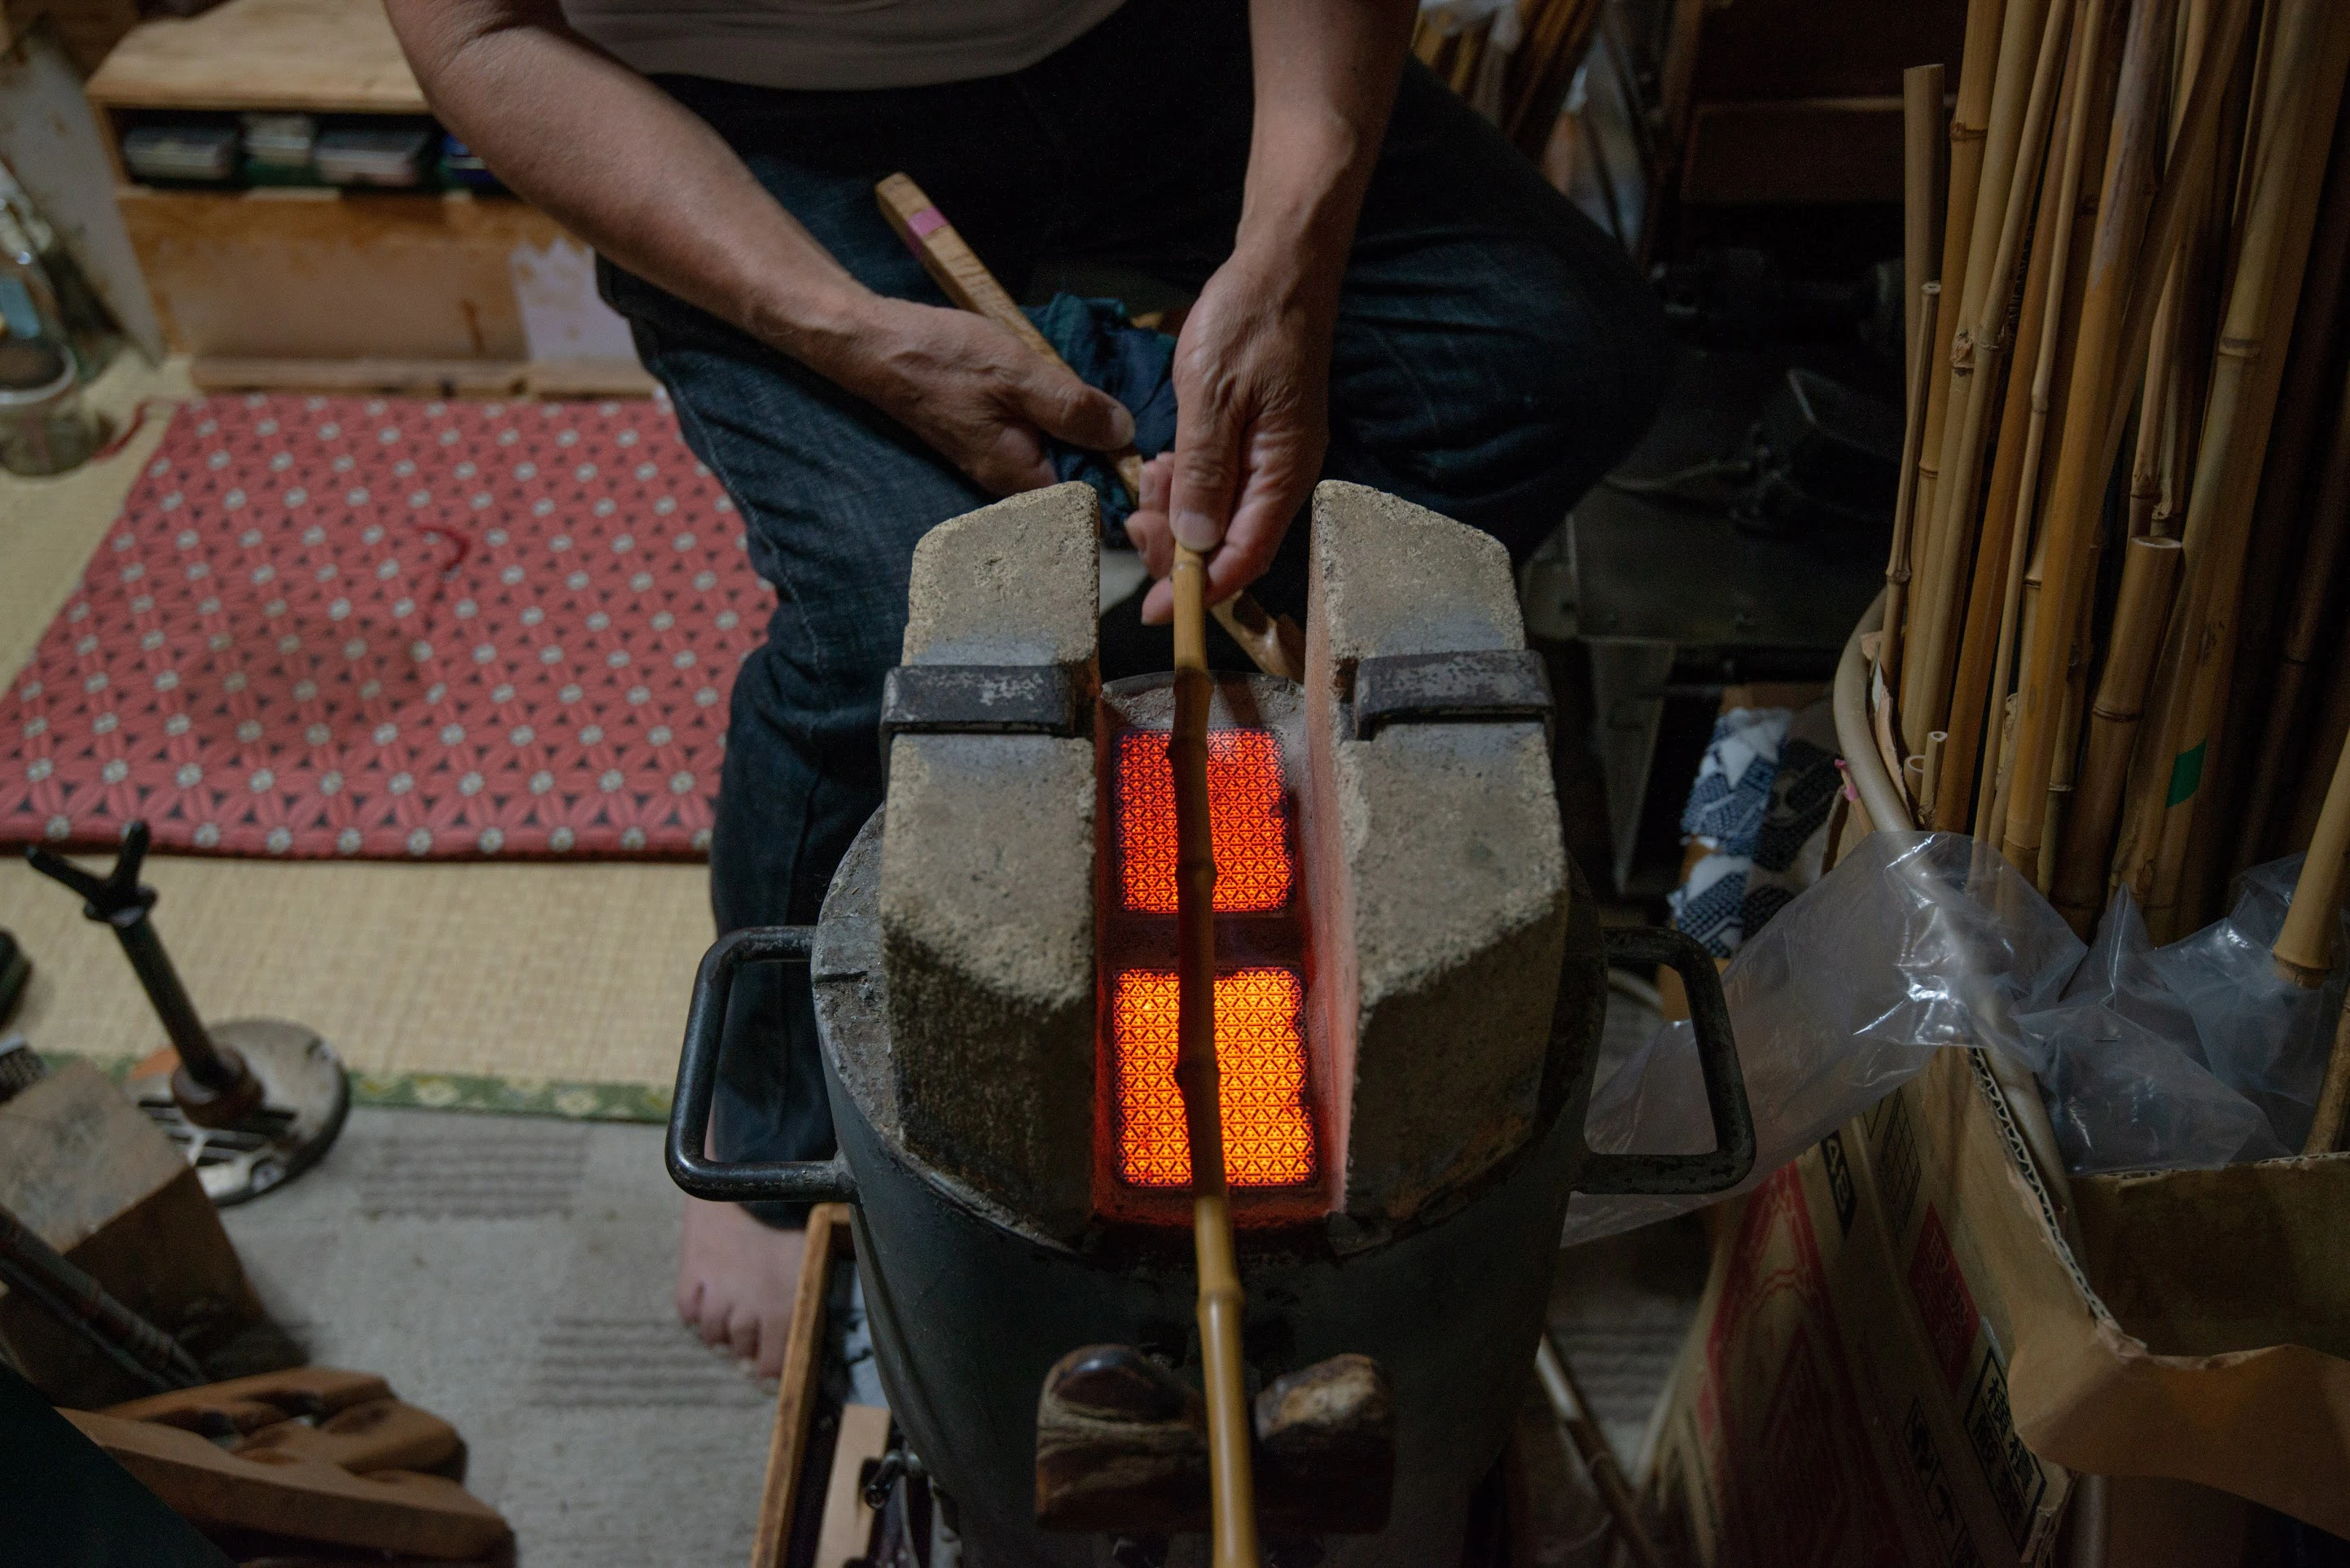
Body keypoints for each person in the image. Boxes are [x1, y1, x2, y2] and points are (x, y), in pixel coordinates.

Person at [386, 0, 1670, 1377]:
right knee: (893, 622)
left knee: (1554, 353)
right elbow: (478, 35)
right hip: (738, 118)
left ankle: (1226, 659)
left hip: (1154, 41)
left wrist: (1288, 259)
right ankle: (767, 1138)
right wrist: (841, 328)